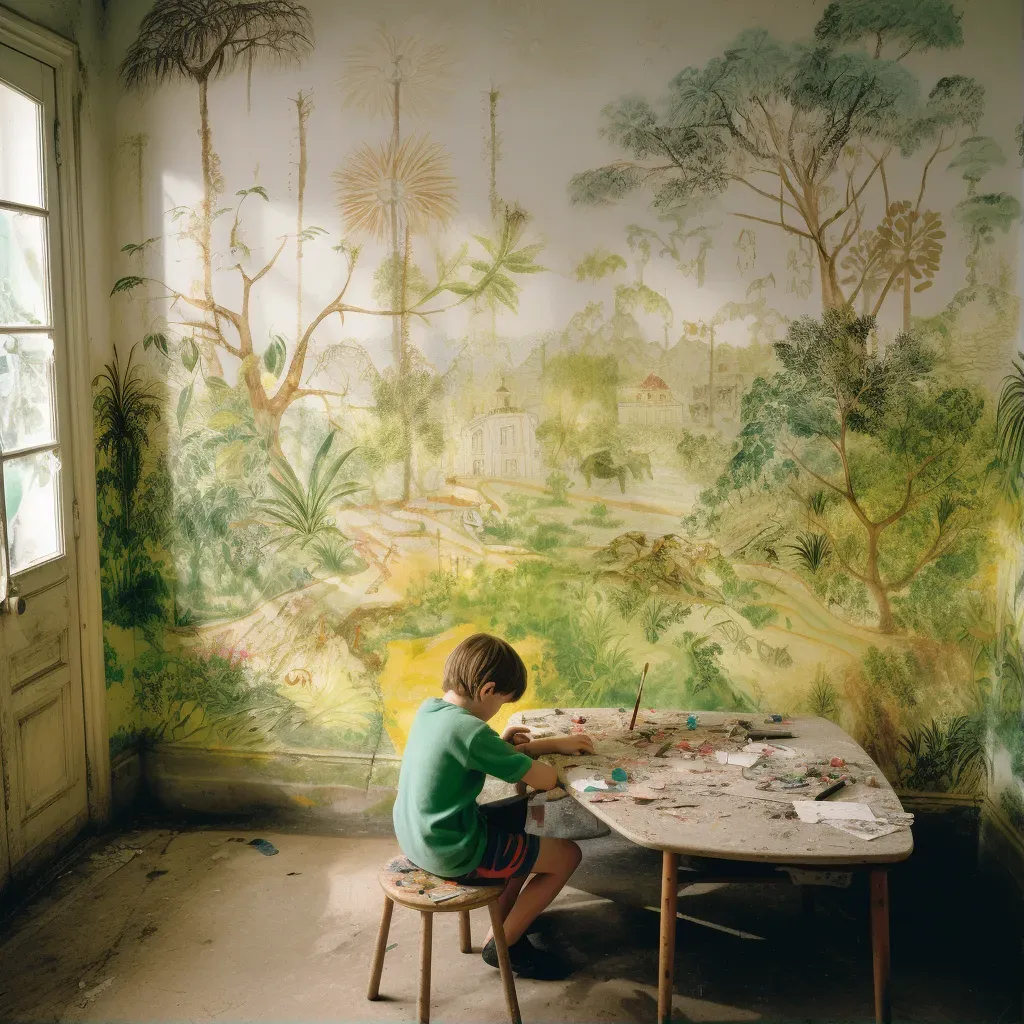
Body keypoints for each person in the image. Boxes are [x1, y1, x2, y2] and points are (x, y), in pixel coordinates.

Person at [393, 632, 594, 979]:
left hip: (418, 836)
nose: (499, 710)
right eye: (501, 703)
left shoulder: (431, 710)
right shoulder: (470, 732)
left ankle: (505, 922)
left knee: (518, 815)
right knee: (567, 855)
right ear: (486, 690)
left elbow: (468, 756)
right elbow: (544, 780)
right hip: (453, 851)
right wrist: (549, 748)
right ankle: (504, 943)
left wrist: (506, 747)